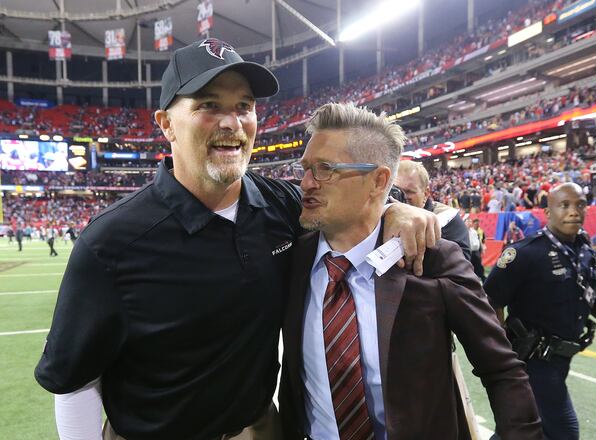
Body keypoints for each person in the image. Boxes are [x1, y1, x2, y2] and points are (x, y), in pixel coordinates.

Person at [34, 39, 438, 440]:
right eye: (208, 105)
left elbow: (355, 201)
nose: (232, 122)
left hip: (261, 429)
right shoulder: (113, 241)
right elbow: (75, 382)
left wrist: (396, 207)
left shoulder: (283, 206)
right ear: (166, 124)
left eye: (244, 106)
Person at [278, 102, 543, 440]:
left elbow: (501, 368)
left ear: (378, 181)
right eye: (305, 168)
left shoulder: (432, 262)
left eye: (324, 168)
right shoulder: (290, 258)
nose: (306, 183)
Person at [484, 183, 596, 440]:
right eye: (564, 205)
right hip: (530, 362)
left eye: (579, 205)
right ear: (548, 212)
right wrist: (501, 354)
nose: (573, 212)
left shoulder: (586, 252)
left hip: (560, 361)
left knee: (519, 430)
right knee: (563, 432)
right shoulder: (524, 253)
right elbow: (490, 301)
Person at [395, 160, 471, 260]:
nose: (401, 196)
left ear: (425, 193)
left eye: (409, 191)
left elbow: (461, 266)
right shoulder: (384, 213)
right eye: (396, 190)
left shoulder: (447, 218)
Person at [467, 217, 486, 281]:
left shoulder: (475, 232)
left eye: (470, 221)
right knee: (470, 267)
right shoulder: (464, 231)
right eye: (468, 221)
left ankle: (482, 278)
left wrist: (482, 248)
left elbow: (480, 241)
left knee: (479, 266)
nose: (469, 223)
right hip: (469, 251)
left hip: (476, 251)